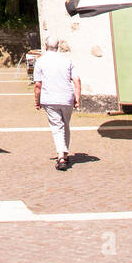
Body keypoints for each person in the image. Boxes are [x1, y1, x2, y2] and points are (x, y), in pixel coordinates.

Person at [34, 38, 80, 171]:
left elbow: (38, 85)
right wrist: (77, 98)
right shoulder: (67, 60)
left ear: (45, 46)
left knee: (57, 127)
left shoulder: (41, 61)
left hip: (50, 99)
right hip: (66, 97)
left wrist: (37, 101)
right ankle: (64, 153)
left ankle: (61, 156)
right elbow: (76, 80)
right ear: (58, 46)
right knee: (65, 125)